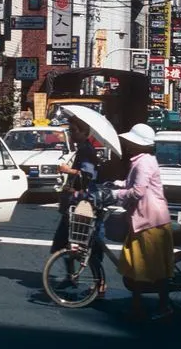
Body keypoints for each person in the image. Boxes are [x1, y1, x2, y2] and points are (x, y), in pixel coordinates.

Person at [110, 123, 174, 322]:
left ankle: (163, 306)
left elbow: (138, 191)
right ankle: (136, 305)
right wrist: (120, 184)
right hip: (144, 219)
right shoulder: (142, 161)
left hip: (149, 221)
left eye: (131, 141)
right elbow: (135, 185)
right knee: (137, 266)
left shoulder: (144, 162)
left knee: (154, 269)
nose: (128, 144)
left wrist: (116, 194)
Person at [51, 116, 105, 295]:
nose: (71, 134)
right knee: (66, 242)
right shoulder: (82, 149)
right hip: (75, 202)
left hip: (83, 204)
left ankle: (97, 281)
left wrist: (68, 171)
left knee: (85, 243)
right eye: (70, 130)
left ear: (84, 132)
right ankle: (71, 275)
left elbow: (88, 175)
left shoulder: (87, 150)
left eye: (74, 131)